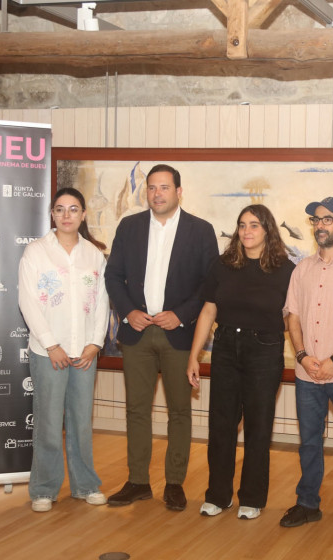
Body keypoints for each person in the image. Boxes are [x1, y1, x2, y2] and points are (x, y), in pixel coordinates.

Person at [104, 164, 218, 511]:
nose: (157, 194)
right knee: (136, 410)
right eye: (152, 187)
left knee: (179, 411)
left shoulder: (200, 230)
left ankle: (174, 483)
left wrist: (181, 314)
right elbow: (113, 276)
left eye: (164, 187)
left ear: (179, 192)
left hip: (178, 335)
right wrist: (128, 311)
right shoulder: (129, 227)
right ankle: (138, 481)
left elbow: (209, 284)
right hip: (137, 333)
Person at [186, 204, 295, 521]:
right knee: (221, 426)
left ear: (268, 230)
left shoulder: (285, 269)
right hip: (225, 347)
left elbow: (293, 317)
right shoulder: (223, 264)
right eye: (242, 225)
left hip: (265, 349)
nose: (247, 231)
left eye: (254, 225)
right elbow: (209, 311)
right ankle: (218, 496)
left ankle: (252, 498)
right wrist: (194, 356)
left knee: (258, 427)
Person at [279, 197, 333, 537]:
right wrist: (302, 355)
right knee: (309, 442)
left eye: (328, 219)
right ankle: (308, 504)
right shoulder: (301, 269)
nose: (320, 225)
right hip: (307, 373)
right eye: (316, 220)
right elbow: (292, 315)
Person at [18, 187, 110, 513]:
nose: (66, 215)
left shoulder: (93, 254)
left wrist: (95, 343)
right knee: (47, 422)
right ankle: (44, 489)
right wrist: (51, 344)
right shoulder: (36, 252)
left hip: (84, 352)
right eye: (60, 209)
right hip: (49, 353)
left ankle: (85, 485)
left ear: (83, 215)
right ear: (52, 214)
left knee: (81, 422)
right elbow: (27, 301)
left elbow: (101, 303)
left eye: (73, 209)